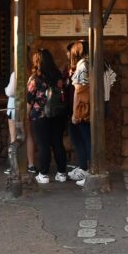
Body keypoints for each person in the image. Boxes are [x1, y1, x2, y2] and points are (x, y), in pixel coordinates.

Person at [26, 48, 68, 184]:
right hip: (58, 114)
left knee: (43, 144)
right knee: (57, 143)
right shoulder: (58, 76)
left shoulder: (35, 78)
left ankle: (43, 174)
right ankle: (62, 173)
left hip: (40, 115)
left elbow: (29, 99)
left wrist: (26, 115)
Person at [3, 68, 37, 176]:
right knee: (29, 136)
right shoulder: (31, 73)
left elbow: (10, 91)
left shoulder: (16, 73)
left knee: (14, 136)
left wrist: (5, 89)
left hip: (14, 106)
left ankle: (15, 165)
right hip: (27, 106)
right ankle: (31, 165)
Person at [67, 40, 91, 183]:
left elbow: (79, 91)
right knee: (88, 138)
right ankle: (87, 169)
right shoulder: (91, 63)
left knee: (86, 139)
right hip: (91, 106)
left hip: (83, 107)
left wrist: (75, 113)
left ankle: (88, 171)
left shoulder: (82, 65)